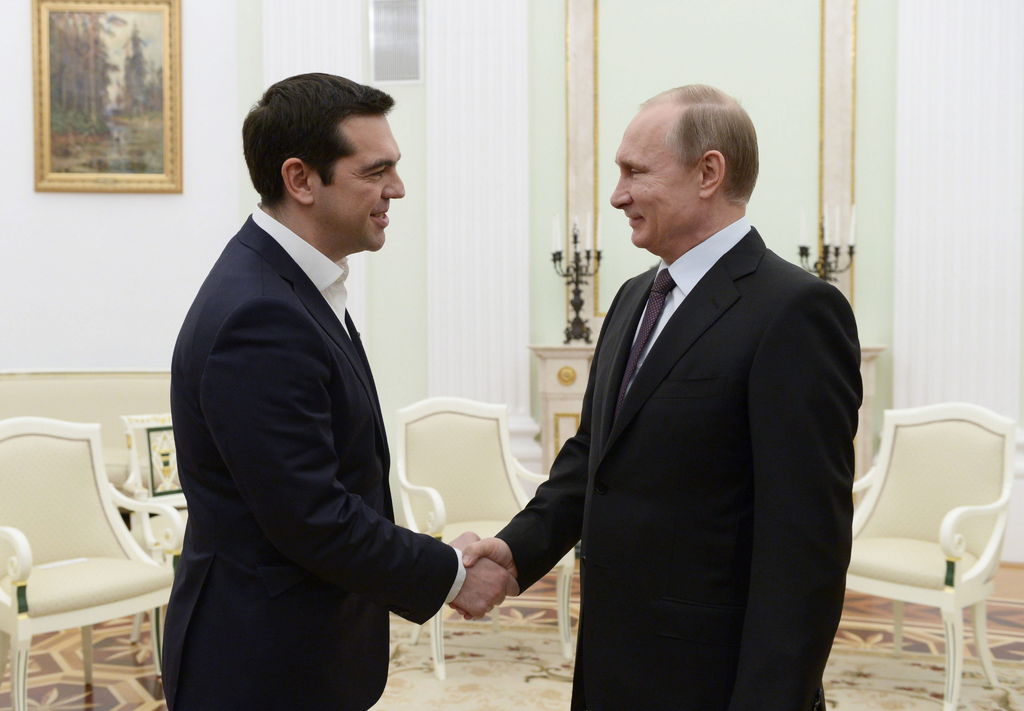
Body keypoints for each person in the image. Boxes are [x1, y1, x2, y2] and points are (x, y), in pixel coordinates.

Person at [461, 85, 862, 710]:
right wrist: (516, 550)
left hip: (709, 677)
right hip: (613, 663)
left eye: (635, 172)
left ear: (708, 172)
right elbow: (594, 458)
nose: (617, 195)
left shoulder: (795, 311)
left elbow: (805, 546)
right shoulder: (631, 298)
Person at [162, 73, 516, 711]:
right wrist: (449, 574)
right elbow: (310, 514)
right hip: (261, 666)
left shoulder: (290, 287)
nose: (397, 189)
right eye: (375, 171)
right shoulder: (260, 313)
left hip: (298, 650)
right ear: (301, 180)